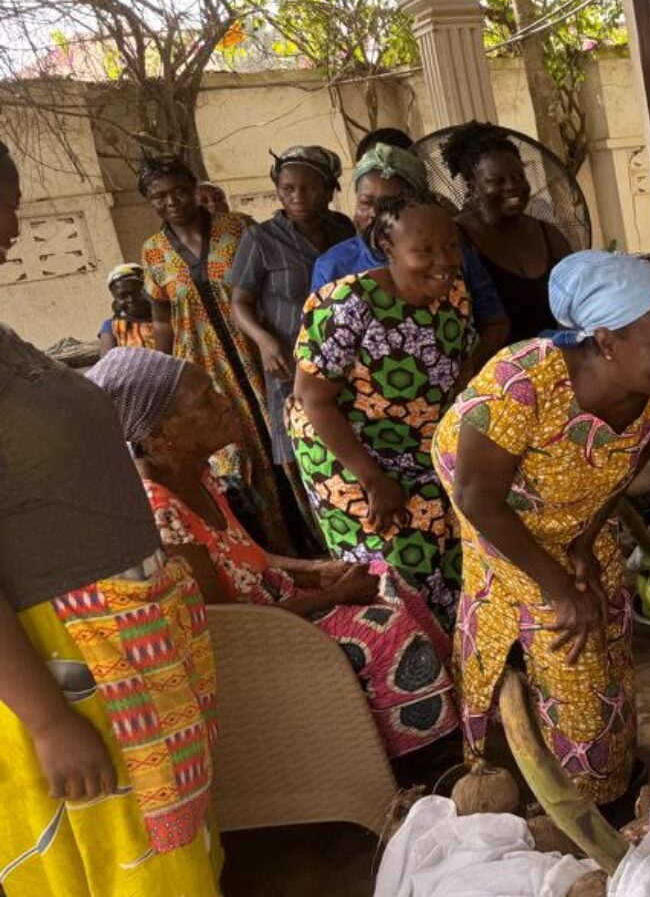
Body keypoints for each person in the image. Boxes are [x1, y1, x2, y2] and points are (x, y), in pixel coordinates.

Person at [0, 141, 221, 896]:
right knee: (127, 866)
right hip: (64, 662)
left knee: (173, 856)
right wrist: (48, 721)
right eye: (2, 205)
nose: (13, 225)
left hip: (125, 633)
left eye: (12, 201)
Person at [89, 348, 460, 759]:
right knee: (384, 631)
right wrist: (332, 597)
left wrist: (315, 570)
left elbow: (243, 557)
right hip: (261, 642)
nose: (223, 400)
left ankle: (443, 731)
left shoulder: (194, 473)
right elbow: (226, 627)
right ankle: (412, 758)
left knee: (391, 577)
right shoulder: (160, 512)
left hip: (279, 607)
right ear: (158, 435)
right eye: (206, 401)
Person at [434, 249, 650, 806]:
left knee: (607, 616)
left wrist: (584, 539)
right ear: (604, 342)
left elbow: (627, 461)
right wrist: (556, 585)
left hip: (576, 503)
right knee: (564, 634)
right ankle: (574, 803)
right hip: (497, 509)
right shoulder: (518, 384)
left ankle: (612, 769)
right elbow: (477, 497)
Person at [289, 191, 478, 629]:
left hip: (419, 441)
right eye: (424, 250)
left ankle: (449, 657)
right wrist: (373, 480)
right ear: (387, 248)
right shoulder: (346, 305)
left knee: (447, 549)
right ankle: (398, 667)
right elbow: (312, 398)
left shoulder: (454, 296)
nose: (443, 260)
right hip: (346, 450)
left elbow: (460, 367)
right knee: (391, 565)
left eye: (451, 245)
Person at [139, 153, 299, 554]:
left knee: (285, 438)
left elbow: (268, 288)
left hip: (258, 354)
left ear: (194, 188)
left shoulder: (237, 228)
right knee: (233, 456)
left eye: (178, 190)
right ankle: (271, 549)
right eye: (159, 196)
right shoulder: (154, 253)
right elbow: (162, 319)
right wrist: (160, 374)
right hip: (204, 367)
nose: (171, 201)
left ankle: (312, 534)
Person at [229, 145, 356, 537]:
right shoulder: (260, 239)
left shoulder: (344, 230)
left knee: (350, 447)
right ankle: (326, 539)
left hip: (347, 360)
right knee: (304, 455)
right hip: (289, 363)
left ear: (330, 189)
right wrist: (264, 339)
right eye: (288, 189)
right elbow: (240, 301)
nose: (297, 197)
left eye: (308, 189)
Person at [311, 142, 511, 365]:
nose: (375, 214)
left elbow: (495, 323)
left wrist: (468, 371)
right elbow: (320, 361)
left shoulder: (451, 256)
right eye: (365, 202)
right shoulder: (334, 267)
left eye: (391, 205)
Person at [439, 121, 574, 342]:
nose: (512, 186)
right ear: (473, 188)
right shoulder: (456, 238)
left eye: (518, 177)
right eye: (497, 181)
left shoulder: (549, 235)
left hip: (553, 361)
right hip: (493, 369)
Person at [97, 263, 157, 354]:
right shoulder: (111, 326)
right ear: (115, 299)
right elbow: (107, 361)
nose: (131, 299)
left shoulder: (167, 320)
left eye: (137, 293)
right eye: (122, 296)